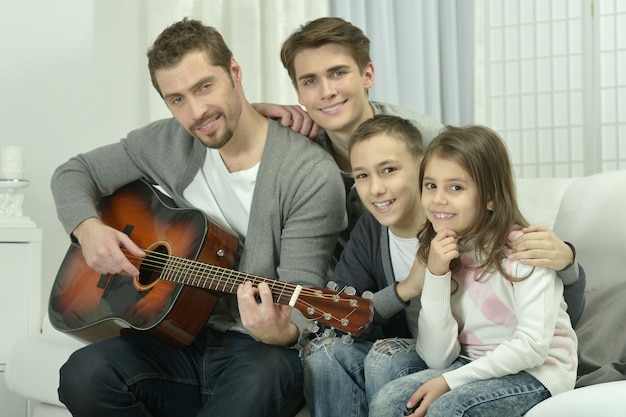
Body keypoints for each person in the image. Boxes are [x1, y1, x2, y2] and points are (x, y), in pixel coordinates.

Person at [50, 18, 347, 417]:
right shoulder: (168, 142)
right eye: (177, 99)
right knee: (83, 375)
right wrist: (88, 230)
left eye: (205, 87)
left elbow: (300, 295)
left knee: (270, 375)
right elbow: (74, 173)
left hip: (258, 353)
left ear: (235, 73)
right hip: (174, 339)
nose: (197, 112)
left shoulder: (308, 173)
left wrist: (283, 330)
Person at [259, 17, 583, 287]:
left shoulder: (429, 141)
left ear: (367, 74)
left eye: (338, 73)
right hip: (358, 295)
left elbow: (491, 214)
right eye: (310, 81)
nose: (327, 91)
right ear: (298, 91)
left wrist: (564, 263)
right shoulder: (299, 153)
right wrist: (256, 110)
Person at [301, 115, 584, 417]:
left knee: (446, 409)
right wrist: (435, 275)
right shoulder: (440, 250)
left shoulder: (525, 249)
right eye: (432, 185)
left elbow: (533, 346)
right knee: (390, 400)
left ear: (490, 198)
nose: (438, 200)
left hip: (537, 370)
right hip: (470, 362)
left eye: (455, 188)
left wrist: (450, 381)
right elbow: (437, 356)